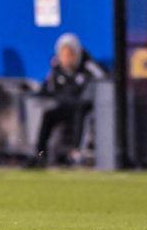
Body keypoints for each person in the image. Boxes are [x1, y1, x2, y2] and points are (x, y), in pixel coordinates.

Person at [27, 33, 106, 167]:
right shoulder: (56, 70)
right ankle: (40, 154)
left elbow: (104, 82)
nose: (66, 59)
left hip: (85, 108)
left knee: (81, 112)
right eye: (63, 55)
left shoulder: (89, 67)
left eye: (69, 54)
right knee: (48, 115)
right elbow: (47, 89)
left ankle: (77, 153)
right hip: (65, 107)